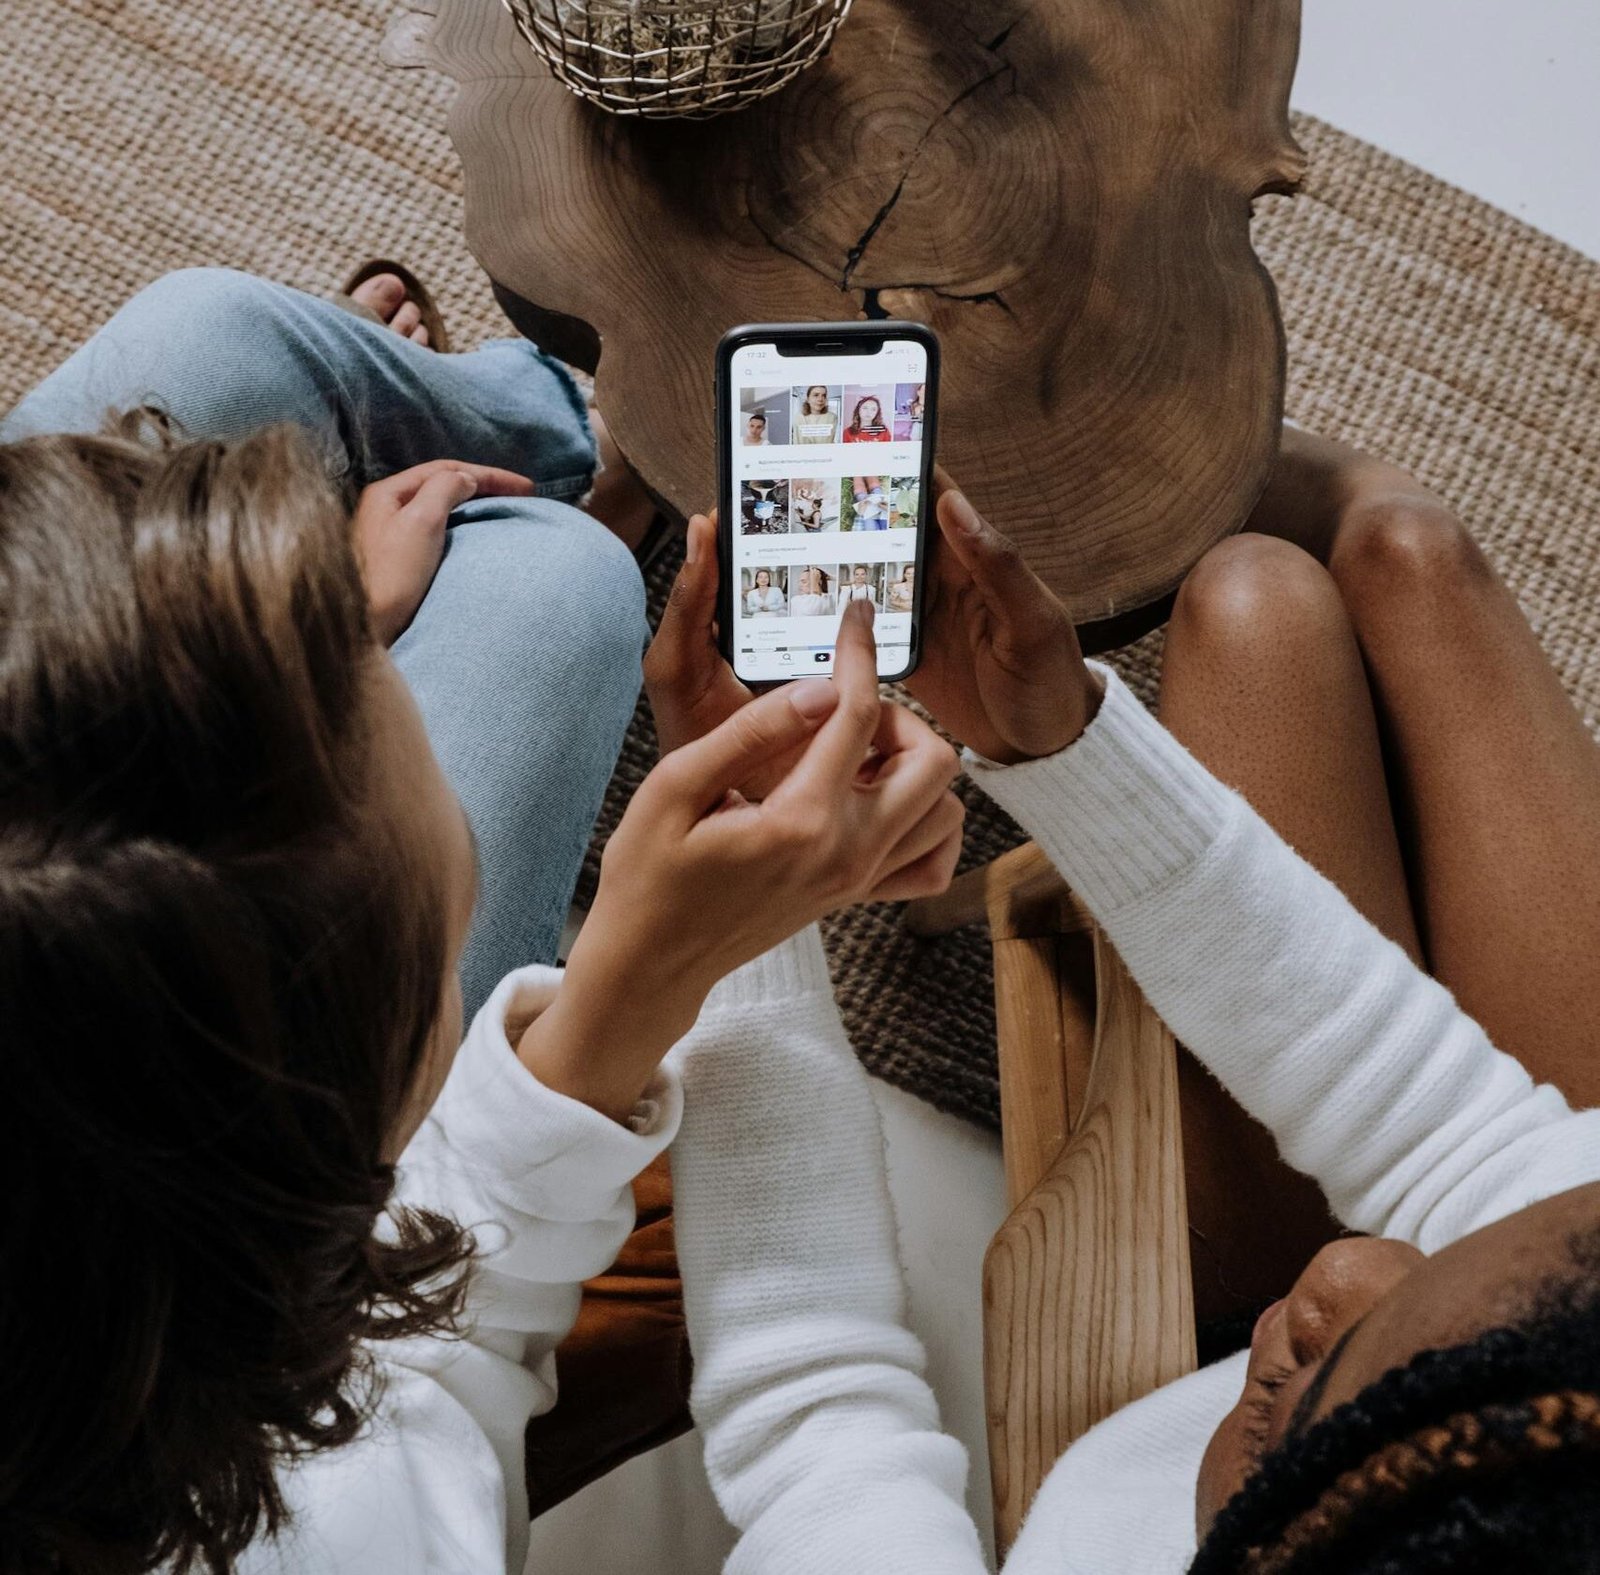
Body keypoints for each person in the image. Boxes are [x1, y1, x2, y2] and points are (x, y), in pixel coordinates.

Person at [0, 263, 967, 1575]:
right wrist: (687, 960)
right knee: (552, 577)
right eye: (372, 700)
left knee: (211, 335)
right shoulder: (372, 1523)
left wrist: (308, 629)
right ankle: (570, 465)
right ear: (365, 1139)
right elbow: (451, 1344)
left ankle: (563, 440)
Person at [643, 430, 1600, 1572]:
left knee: (1266, 601)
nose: (1350, 1268)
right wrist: (1066, 748)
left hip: (1193, 1319)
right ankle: (1354, 514)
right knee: (1374, 559)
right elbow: (1448, 1129)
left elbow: (814, 1416)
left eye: (1312, 1400)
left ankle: (1297, 496)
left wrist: (732, 902)